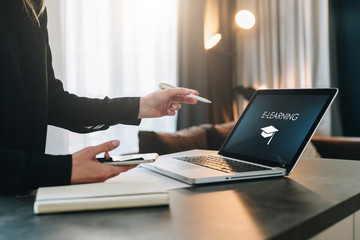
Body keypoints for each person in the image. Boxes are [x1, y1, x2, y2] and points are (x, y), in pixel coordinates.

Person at [0, 0, 199, 194]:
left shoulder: (33, 6)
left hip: (20, 192)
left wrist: (141, 106)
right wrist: (64, 169)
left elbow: (51, 101)